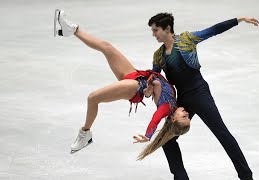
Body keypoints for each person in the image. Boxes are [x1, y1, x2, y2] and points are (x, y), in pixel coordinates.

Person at [53, 9, 190, 158]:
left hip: (135, 87)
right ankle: (72, 30)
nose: (187, 113)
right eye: (188, 116)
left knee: (93, 98)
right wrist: (153, 86)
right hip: (138, 76)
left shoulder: (166, 109)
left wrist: (148, 135)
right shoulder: (174, 103)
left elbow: (155, 119)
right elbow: (159, 85)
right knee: (107, 47)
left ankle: (84, 134)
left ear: (173, 119)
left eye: (184, 117)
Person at [148, 13, 259, 180]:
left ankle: (246, 176)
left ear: (167, 28)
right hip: (182, 101)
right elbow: (155, 79)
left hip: (200, 93)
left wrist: (239, 20)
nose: (153, 34)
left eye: (156, 30)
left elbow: (213, 30)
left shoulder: (186, 40)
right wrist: (149, 89)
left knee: (222, 133)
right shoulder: (158, 55)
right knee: (166, 139)